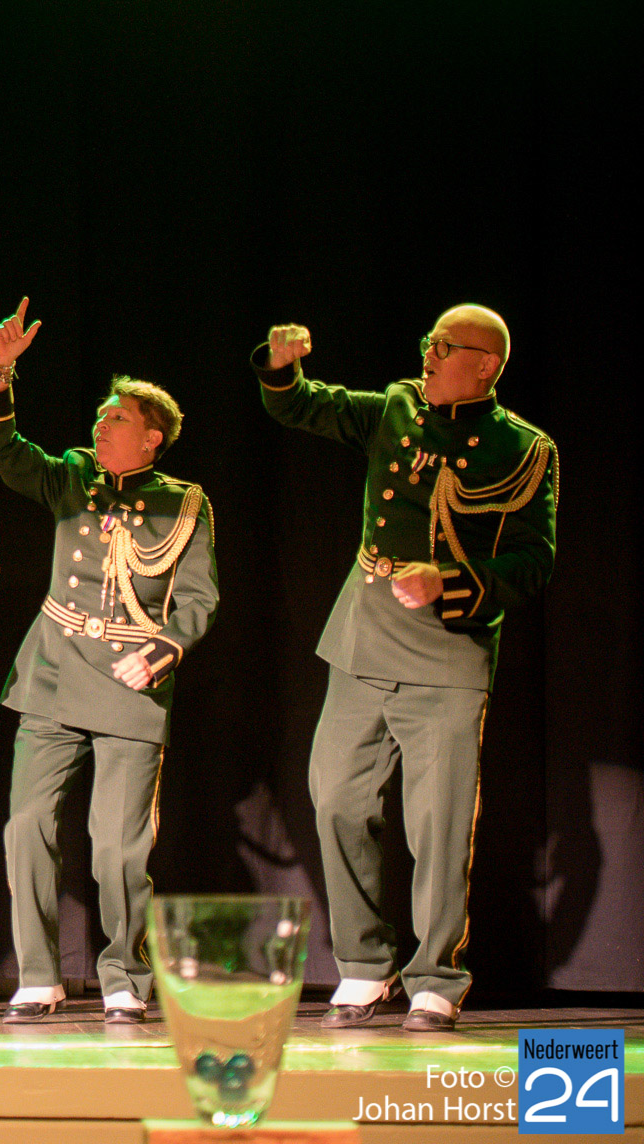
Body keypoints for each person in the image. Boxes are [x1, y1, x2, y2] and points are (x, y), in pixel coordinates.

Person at [256, 305, 556, 1032]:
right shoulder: (396, 408)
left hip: (448, 647)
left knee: (439, 824)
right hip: (366, 633)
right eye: (428, 341)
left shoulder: (525, 449)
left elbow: (533, 560)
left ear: (484, 365)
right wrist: (283, 367)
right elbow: (305, 406)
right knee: (335, 799)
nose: (428, 355)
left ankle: (436, 975)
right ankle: (365, 964)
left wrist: (448, 579)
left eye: (444, 347)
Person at [0, 299, 218, 1026]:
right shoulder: (73, 478)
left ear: (151, 437)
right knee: (26, 827)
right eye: (99, 415)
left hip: (128, 682)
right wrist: (1, 373)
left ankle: (124, 974)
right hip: (54, 671)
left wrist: (162, 652)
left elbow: (198, 599)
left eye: (115, 418)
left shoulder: (184, 503)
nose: (99, 425)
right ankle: (39, 975)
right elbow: (6, 453)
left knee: (116, 847)